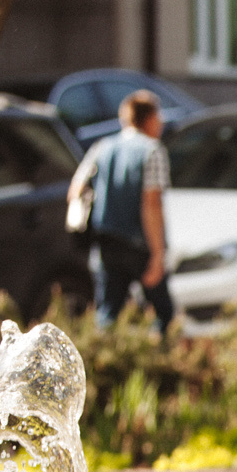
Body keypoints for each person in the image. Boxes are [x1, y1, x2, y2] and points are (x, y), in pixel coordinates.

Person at [68, 90, 174, 329]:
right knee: (163, 314)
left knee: (108, 314)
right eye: (158, 117)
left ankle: (104, 352)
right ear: (149, 118)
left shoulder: (102, 147)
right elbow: (151, 204)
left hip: (106, 241)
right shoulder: (152, 150)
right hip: (140, 244)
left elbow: (75, 190)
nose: (161, 123)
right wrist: (158, 255)